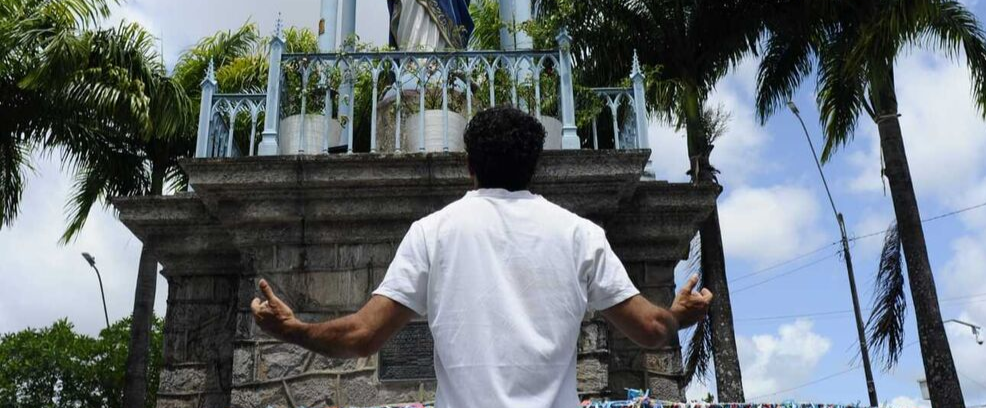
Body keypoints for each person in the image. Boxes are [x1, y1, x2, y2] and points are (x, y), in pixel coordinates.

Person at [251, 107, 712, 408]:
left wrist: (292, 329)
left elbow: (362, 336)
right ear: (536, 166)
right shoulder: (579, 235)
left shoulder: (433, 233)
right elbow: (652, 330)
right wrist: (678, 314)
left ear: (469, 164)